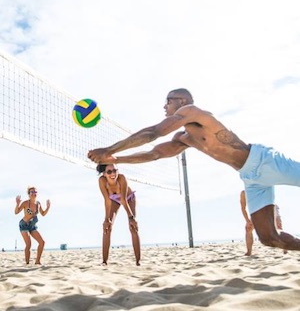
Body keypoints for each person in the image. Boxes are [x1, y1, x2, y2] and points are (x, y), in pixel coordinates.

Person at [88, 88, 300, 251]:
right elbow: (155, 153)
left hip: (263, 160)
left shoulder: (192, 112)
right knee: (269, 238)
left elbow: (154, 132)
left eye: (168, 101)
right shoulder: (184, 138)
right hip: (250, 178)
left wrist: (109, 148)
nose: (164, 106)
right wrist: (116, 158)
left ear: (182, 101)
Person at [97, 164, 141, 265]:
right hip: (114, 200)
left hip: (128, 198)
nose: (113, 173)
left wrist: (131, 218)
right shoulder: (102, 181)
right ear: (104, 174)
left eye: (115, 170)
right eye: (109, 172)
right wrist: (106, 219)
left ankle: (138, 261)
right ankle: (104, 262)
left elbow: (123, 199)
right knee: (107, 227)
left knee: (132, 227)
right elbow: (107, 200)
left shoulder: (122, 178)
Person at [240, 190, 288, 255]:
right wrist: (248, 221)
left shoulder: (261, 186)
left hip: (270, 207)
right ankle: (249, 252)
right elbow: (243, 208)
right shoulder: (244, 193)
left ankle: (285, 249)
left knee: (278, 226)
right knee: (248, 228)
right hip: (257, 212)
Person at [15, 186, 51, 264]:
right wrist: (17, 204)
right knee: (29, 244)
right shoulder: (25, 203)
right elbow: (16, 212)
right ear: (29, 194)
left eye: (35, 192)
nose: (33, 193)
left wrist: (48, 207)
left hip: (32, 225)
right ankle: (27, 263)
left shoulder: (38, 204)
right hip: (24, 225)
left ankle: (37, 261)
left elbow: (43, 214)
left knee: (42, 242)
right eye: (32, 192)